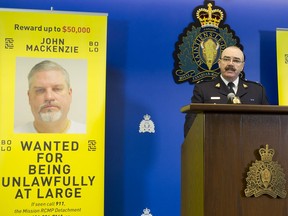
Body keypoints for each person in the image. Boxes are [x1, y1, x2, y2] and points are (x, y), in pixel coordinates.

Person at [184, 46, 269, 137]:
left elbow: (268, 123)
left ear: (242, 66)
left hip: (249, 145)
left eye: (236, 60)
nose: (230, 64)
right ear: (219, 63)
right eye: (226, 59)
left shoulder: (257, 90)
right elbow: (191, 125)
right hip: (214, 144)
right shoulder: (203, 89)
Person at [15, 60, 86, 133]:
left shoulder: (91, 135)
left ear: (70, 94)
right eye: (40, 90)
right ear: (29, 97)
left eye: (57, 89)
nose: (49, 97)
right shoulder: (13, 137)